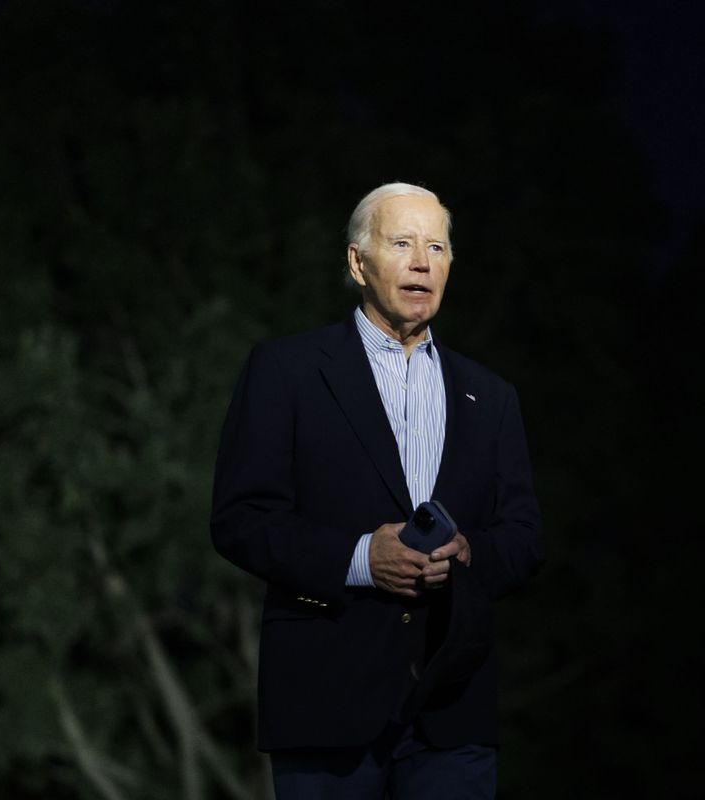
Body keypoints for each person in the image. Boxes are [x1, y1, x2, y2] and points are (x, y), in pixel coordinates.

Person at [210, 182, 544, 799]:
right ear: (358, 263)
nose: (422, 260)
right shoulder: (286, 370)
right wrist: (361, 559)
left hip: (454, 708)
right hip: (325, 698)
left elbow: (523, 536)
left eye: (437, 246)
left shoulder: (492, 396)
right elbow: (241, 518)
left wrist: (472, 555)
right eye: (402, 243)